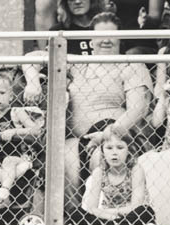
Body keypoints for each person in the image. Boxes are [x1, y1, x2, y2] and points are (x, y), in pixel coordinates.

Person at [63, 12, 153, 208]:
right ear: (90, 39)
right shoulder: (78, 64)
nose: (105, 40)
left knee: (103, 156)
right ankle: (74, 220)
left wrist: (106, 135)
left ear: (120, 37)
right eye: (100, 35)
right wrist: (33, 83)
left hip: (118, 136)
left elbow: (138, 109)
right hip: (78, 139)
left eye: (111, 35)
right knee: (63, 158)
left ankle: (107, 218)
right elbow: (33, 57)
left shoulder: (132, 64)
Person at [0, 72, 44, 210]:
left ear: (10, 96)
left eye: (2, 93)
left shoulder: (16, 112)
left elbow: (35, 130)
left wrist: (14, 131)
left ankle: (3, 194)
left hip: (18, 157)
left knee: (8, 161)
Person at [77, 129, 156, 225]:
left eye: (120, 147)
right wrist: (110, 217)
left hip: (130, 216)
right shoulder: (99, 172)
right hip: (108, 217)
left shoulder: (135, 170)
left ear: (129, 150)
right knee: (76, 213)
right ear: (102, 151)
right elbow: (91, 208)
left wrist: (107, 213)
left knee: (145, 211)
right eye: (109, 148)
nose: (114, 152)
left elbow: (136, 206)